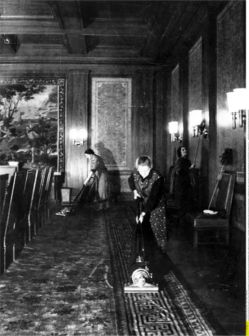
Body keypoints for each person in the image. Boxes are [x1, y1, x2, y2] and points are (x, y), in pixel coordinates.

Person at [128, 155, 167, 253]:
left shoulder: (158, 177)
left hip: (157, 205)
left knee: (157, 229)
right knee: (141, 226)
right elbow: (131, 180)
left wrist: (143, 213)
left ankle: (160, 252)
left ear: (151, 167)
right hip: (144, 201)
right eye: (140, 170)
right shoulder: (136, 173)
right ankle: (144, 250)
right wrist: (134, 191)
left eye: (146, 170)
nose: (143, 173)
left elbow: (153, 199)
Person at [174, 146, 195, 219]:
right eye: (183, 150)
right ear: (180, 152)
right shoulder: (179, 161)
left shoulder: (188, 161)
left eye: (185, 149)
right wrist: (189, 168)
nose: (185, 150)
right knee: (181, 203)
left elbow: (188, 172)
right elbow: (179, 172)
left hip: (187, 184)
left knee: (187, 202)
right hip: (180, 184)